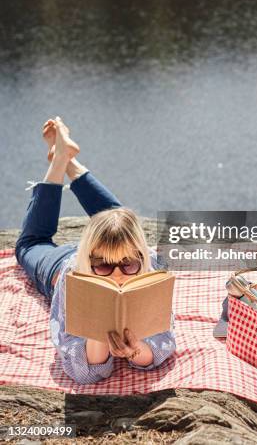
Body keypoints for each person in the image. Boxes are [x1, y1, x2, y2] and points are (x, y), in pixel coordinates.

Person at [15, 117, 176, 384]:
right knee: (30, 244)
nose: (116, 275)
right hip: (58, 265)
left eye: (127, 265)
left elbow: (164, 344)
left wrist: (136, 351)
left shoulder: (150, 266)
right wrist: (97, 332)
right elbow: (81, 370)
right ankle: (59, 163)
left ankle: (70, 161)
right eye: (103, 266)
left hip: (108, 243)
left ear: (140, 258)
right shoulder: (73, 278)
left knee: (118, 220)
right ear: (90, 263)